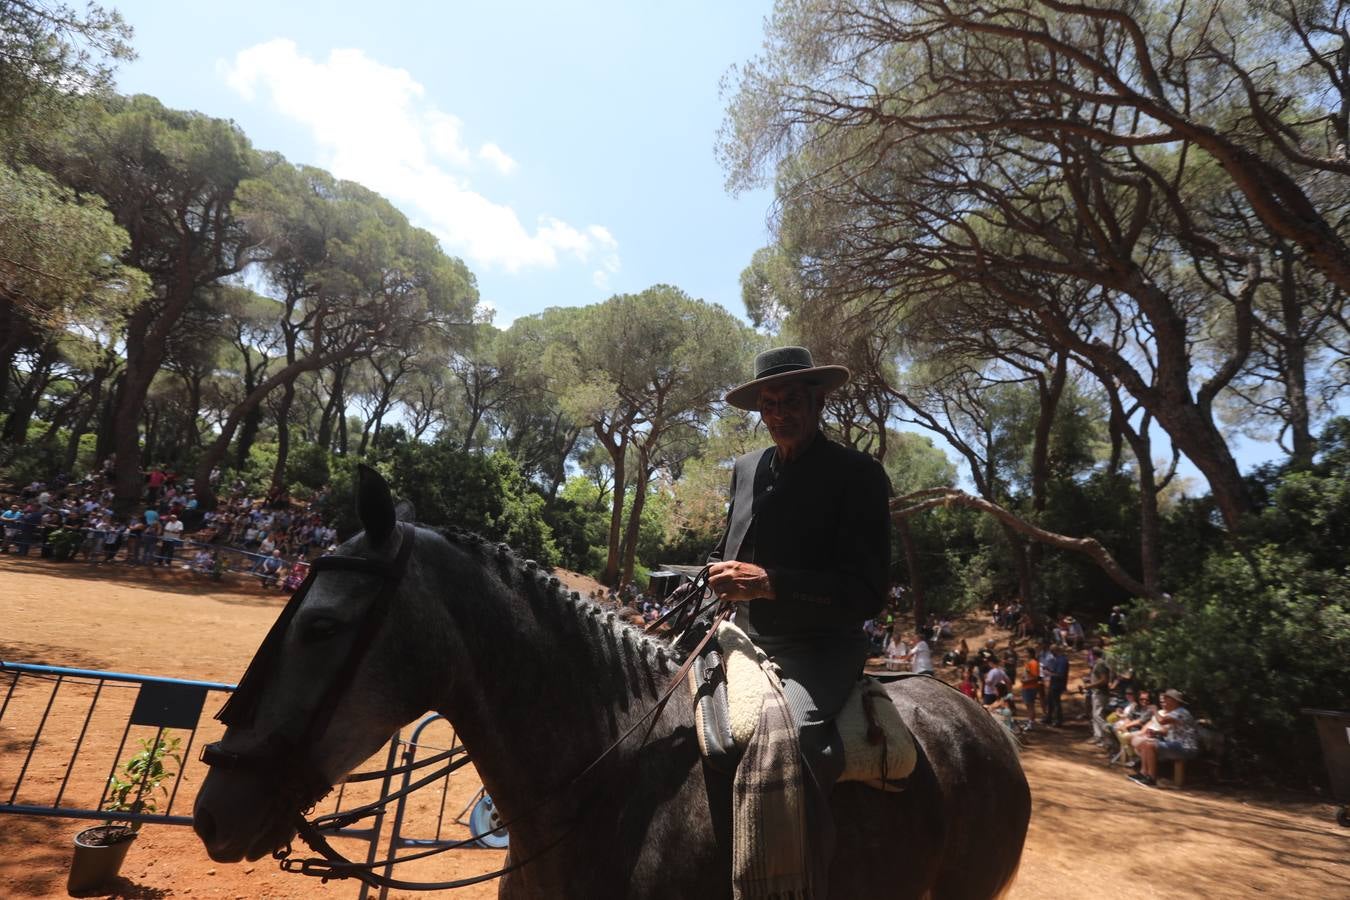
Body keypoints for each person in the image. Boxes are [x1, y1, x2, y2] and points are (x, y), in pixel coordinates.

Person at [705, 346, 891, 897]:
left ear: (818, 400)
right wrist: (714, 575)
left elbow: (867, 592)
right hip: (740, 634)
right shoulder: (744, 470)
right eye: (768, 403)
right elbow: (727, 547)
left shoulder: (857, 475)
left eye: (790, 400)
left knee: (796, 739)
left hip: (821, 647)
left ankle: (801, 880)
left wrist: (772, 582)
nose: (778, 413)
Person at [1129, 689, 1200, 787]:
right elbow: (1167, 731)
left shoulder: (1181, 712)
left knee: (1149, 745)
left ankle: (1151, 778)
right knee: (1146, 743)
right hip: (1175, 745)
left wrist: (1154, 710)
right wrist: (1156, 732)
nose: (1164, 701)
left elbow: (1162, 721)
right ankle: (1143, 774)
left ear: (1174, 701)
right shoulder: (1173, 713)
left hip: (1185, 747)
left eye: (1167, 698)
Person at [1043, 645, 1069, 726]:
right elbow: (1055, 671)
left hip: (1058, 685)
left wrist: (1048, 673)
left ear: (1056, 651)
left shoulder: (1062, 660)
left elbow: (1060, 675)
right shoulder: (1056, 659)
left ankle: (1058, 720)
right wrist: (1048, 669)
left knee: (1056, 702)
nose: (1051, 653)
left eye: (1052, 651)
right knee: (1050, 701)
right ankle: (1049, 717)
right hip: (1053, 683)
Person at [1019, 648, 1041, 729]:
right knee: (1028, 705)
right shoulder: (1028, 663)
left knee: (1030, 705)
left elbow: (1036, 677)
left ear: (1030, 654)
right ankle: (1030, 721)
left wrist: (1025, 681)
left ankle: (1031, 723)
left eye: (1026, 653)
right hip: (1026, 686)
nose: (1024, 654)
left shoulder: (1034, 663)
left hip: (1030, 687)